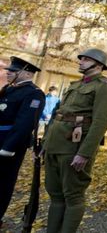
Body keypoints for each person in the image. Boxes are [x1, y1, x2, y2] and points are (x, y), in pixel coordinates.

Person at [43, 48, 107, 232]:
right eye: (81, 58)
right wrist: (45, 144)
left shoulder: (104, 87)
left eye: (86, 59)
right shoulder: (75, 85)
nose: (80, 61)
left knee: (73, 196)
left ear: (98, 65)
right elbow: (57, 115)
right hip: (55, 145)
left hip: (74, 147)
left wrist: (84, 153)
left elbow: (100, 122)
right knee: (55, 194)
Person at [0, 57, 45, 229]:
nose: (8, 72)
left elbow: (24, 124)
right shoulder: (8, 89)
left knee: (3, 183)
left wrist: (8, 147)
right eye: (8, 70)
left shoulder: (34, 93)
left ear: (26, 73)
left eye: (12, 71)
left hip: (9, 146)